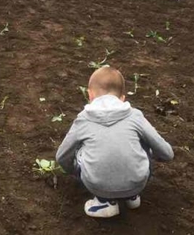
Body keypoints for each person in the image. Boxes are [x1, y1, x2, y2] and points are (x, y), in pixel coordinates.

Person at [56, 67, 174, 218]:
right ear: (123, 98)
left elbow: (62, 156)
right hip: (138, 183)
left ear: (90, 95)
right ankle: (132, 196)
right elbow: (167, 153)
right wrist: (147, 157)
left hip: (98, 186)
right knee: (143, 145)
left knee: (81, 148)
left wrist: (74, 171)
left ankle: (104, 202)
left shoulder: (83, 120)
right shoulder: (135, 117)